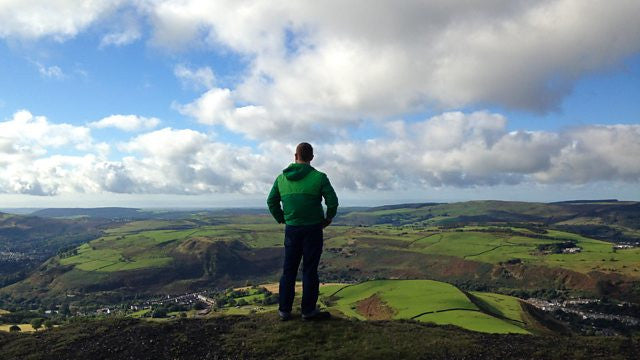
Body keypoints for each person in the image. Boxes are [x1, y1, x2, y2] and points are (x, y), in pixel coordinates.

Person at [267, 142, 339, 321]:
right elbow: (333, 201)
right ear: (312, 157)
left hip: (292, 229)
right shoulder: (319, 177)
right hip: (313, 229)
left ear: (295, 156)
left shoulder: (281, 178)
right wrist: (328, 218)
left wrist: (282, 218)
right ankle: (308, 311)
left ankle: (284, 310)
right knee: (310, 270)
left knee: (289, 270)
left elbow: (271, 201)